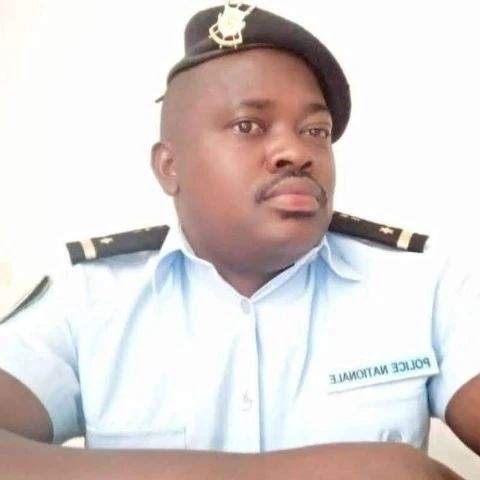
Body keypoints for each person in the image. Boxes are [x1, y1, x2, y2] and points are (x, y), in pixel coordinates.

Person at [0, 2, 477, 478]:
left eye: (316, 131)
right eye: (248, 126)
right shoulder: (87, 301)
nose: (296, 151)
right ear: (169, 167)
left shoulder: (421, 288)